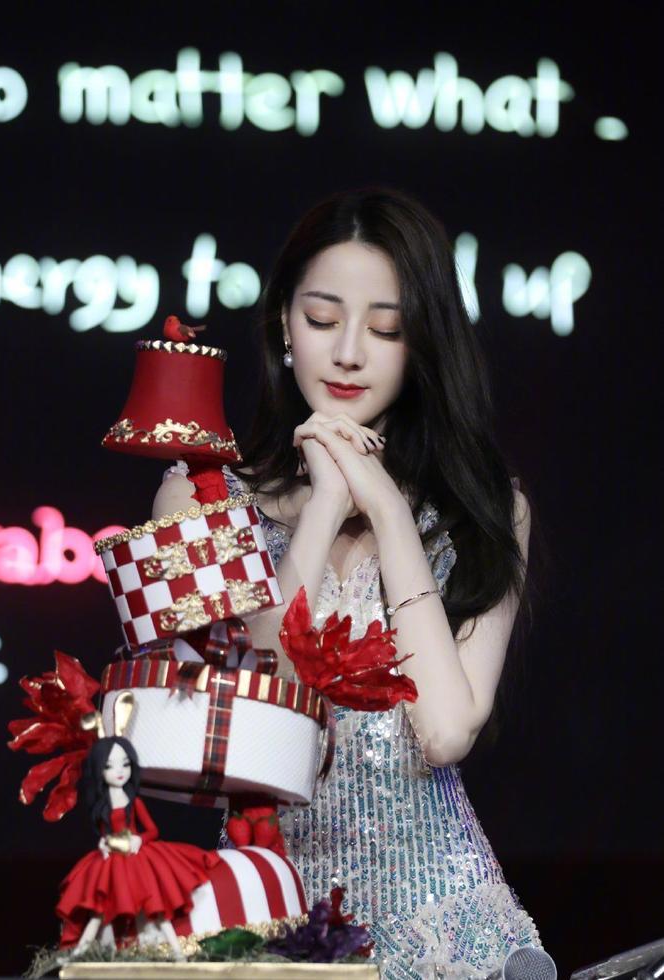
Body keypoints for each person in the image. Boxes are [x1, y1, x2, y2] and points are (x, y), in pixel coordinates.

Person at [155, 187, 543, 978]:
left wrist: (391, 514)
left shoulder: (488, 511)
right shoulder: (198, 500)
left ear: (423, 343)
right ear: (283, 325)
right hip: (269, 926)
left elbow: (445, 732)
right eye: (322, 319)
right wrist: (325, 506)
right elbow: (245, 734)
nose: (349, 353)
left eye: (387, 328)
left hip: (447, 937)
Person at [56, 735, 220, 958]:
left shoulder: (134, 802)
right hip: (113, 861)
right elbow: (105, 833)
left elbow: (153, 830)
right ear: (99, 770)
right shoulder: (102, 806)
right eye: (109, 766)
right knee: (98, 910)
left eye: (125, 764)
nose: (120, 771)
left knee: (156, 905)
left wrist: (139, 839)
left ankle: (177, 952)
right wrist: (104, 843)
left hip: (138, 857)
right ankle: (77, 956)